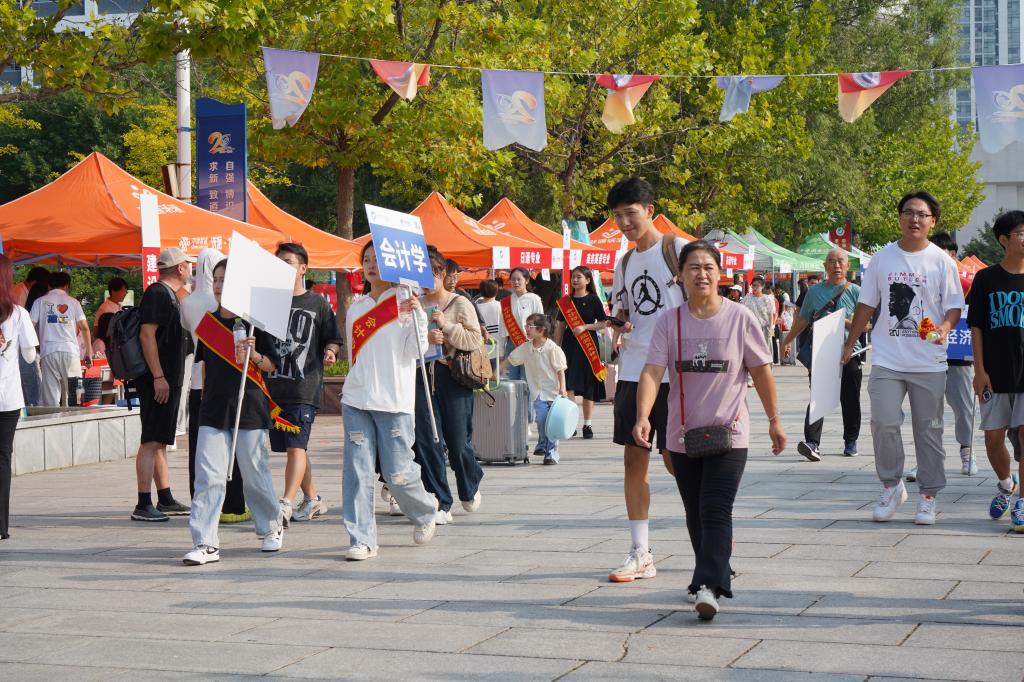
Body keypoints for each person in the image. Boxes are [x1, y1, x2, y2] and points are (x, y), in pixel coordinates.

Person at [634, 240, 786, 621]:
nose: (701, 274)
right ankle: (715, 568)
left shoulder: (740, 318)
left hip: (730, 432)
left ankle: (708, 585)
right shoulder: (669, 322)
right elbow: (651, 372)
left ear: (720, 274)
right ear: (680, 276)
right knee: (695, 511)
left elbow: (761, 371)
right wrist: (643, 416)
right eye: (693, 267)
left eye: (708, 267)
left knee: (715, 506)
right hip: (681, 434)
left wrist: (774, 420)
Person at [843, 191, 965, 525]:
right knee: (883, 423)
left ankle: (928, 496)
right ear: (899, 217)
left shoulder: (941, 261)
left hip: (929, 361)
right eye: (908, 212)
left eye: (922, 214)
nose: (914, 219)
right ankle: (892, 485)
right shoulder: (883, 258)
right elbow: (866, 304)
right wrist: (850, 344)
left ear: (932, 221)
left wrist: (944, 328)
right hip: (887, 358)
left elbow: (954, 305)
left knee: (929, 431)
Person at [606, 177, 686, 583]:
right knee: (633, 458)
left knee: (677, 461)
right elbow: (626, 310)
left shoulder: (679, 250)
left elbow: (708, 303)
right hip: (634, 369)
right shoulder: (623, 263)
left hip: (675, 372)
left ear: (650, 210)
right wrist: (616, 322)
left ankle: (709, 536)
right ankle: (640, 552)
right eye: (618, 216)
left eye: (630, 214)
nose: (624, 223)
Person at [183, 258, 286, 565]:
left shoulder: (255, 323)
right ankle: (205, 542)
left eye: (225, 280)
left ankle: (271, 526)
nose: (218, 286)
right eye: (216, 280)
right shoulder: (207, 323)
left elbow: (271, 365)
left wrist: (254, 355)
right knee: (208, 476)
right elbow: (204, 367)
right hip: (213, 409)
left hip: (249, 406)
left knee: (254, 474)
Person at [342, 242, 438, 560]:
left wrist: (419, 317)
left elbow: (416, 352)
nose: (371, 265)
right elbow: (353, 355)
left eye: (377, 260)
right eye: (366, 260)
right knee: (357, 472)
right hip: (356, 399)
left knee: (397, 474)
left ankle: (425, 510)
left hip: (394, 401)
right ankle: (362, 539)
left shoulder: (405, 303)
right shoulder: (356, 307)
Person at [267, 243, 342, 525]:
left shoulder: (317, 303)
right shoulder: (268, 301)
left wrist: (331, 351)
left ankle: (285, 502)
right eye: (278, 262)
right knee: (294, 446)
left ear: (303, 268)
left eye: (287, 262)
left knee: (296, 446)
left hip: (304, 388)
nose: (281, 267)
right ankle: (313, 498)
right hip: (272, 389)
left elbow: (333, 337)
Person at [412, 248, 485, 525]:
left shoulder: (459, 302)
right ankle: (439, 500)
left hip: (452, 376)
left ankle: (470, 481)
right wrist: (424, 336)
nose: (424, 283)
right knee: (427, 440)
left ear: (441, 273)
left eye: (429, 275)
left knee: (458, 441)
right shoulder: (415, 303)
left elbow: (475, 340)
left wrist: (447, 327)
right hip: (421, 375)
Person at [180, 248, 249, 521]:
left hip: (198, 381)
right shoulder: (219, 306)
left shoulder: (187, 302)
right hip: (224, 380)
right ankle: (233, 503)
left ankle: (203, 502)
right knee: (232, 450)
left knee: (201, 451)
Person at [968, 210, 1024, 532]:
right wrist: (979, 370)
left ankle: (1023, 503)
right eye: (1021, 233)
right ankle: (1006, 484)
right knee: (993, 439)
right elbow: (976, 326)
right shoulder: (986, 279)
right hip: (995, 372)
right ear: (1004, 240)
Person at [781, 249, 863, 460]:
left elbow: (866, 325)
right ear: (825, 266)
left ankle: (851, 441)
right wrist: (787, 341)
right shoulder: (814, 292)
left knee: (851, 399)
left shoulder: (856, 291)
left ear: (848, 266)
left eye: (841, 261)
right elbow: (802, 320)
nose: (837, 265)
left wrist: (842, 320)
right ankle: (812, 443)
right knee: (818, 397)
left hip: (849, 351)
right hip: (821, 352)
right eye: (832, 261)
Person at [132, 247, 193, 522]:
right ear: (180, 268)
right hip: (158, 380)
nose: (190, 269)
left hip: (165, 379)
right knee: (151, 440)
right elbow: (147, 335)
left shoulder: (169, 294)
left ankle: (165, 497)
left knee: (159, 440)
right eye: (187, 264)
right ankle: (143, 503)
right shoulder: (158, 293)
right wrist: (158, 376)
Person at [0, 255, 40, 540]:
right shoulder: (18, 314)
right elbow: (29, 355)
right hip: (7, 397)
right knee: (2, 457)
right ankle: (0, 525)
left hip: (8, 396)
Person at [932, 232, 978, 476]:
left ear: (954, 255)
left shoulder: (970, 283)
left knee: (964, 408)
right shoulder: (925, 280)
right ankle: (929, 458)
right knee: (929, 410)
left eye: (946, 254)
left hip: (959, 357)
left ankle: (967, 452)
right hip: (929, 355)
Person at [504, 313, 568, 464]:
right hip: (538, 393)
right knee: (541, 420)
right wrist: (495, 372)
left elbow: (560, 371)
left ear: (541, 329)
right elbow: (510, 359)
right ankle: (543, 443)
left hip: (554, 392)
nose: (526, 329)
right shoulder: (526, 348)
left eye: (529, 326)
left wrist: (563, 389)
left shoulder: (552, 348)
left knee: (552, 424)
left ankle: (551, 454)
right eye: (526, 326)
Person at [554, 266, 608, 438]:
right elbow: (560, 325)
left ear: (588, 280)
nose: (575, 280)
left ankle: (588, 424)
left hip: (588, 346)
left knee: (589, 385)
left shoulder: (593, 299)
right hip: (570, 345)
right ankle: (572, 422)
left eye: (579, 277)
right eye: (573, 277)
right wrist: (556, 346)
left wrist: (585, 327)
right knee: (569, 383)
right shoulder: (566, 301)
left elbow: (603, 323)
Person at [29, 270, 92, 407]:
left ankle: (53, 419)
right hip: (70, 351)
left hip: (48, 352)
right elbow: (85, 328)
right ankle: (77, 418)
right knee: (76, 395)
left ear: (49, 286)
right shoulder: (74, 302)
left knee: (50, 398)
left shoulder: (39, 302)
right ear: (67, 286)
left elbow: (29, 327)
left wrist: (37, 345)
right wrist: (88, 352)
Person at [500, 267, 544, 379]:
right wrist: (501, 352)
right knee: (512, 381)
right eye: (513, 279)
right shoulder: (505, 302)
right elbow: (502, 328)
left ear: (527, 280)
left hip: (531, 344)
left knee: (528, 380)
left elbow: (541, 323)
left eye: (519, 279)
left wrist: (539, 345)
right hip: (512, 345)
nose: (516, 282)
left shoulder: (534, 299)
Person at [741, 276, 776, 352]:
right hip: (751, 329)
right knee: (753, 351)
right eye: (753, 285)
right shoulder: (747, 298)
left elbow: (771, 314)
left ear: (762, 286)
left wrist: (771, 329)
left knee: (765, 350)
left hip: (764, 329)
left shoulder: (767, 299)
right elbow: (742, 311)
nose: (754, 287)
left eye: (756, 285)